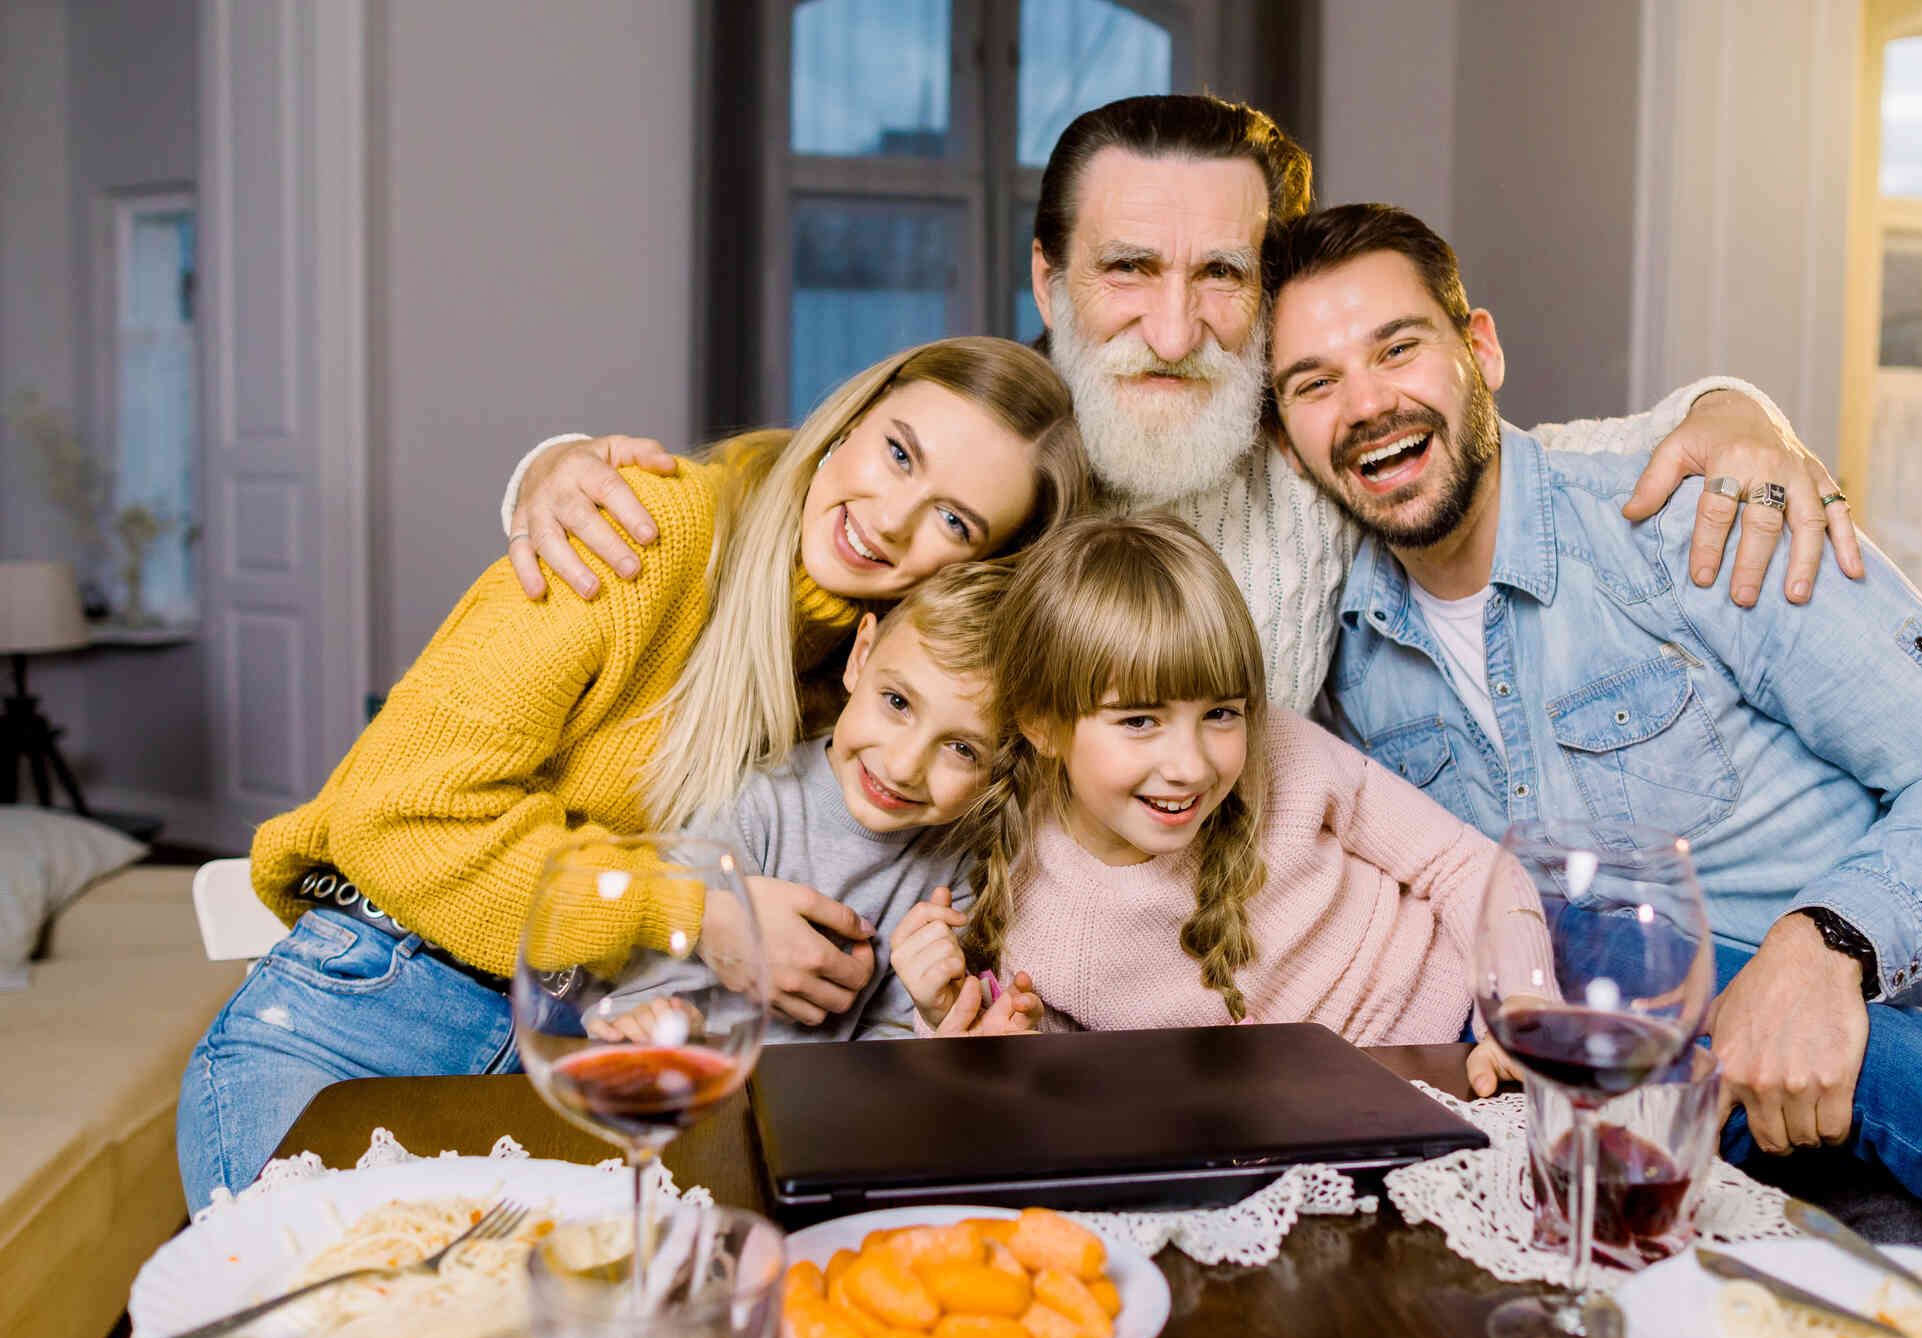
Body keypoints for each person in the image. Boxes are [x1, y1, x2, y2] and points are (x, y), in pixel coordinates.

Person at [1262, 201, 1922, 1293]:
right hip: (1687, 1148)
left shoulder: (1693, 520)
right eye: (1313, 381)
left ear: (1480, 347)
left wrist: (1822, 948)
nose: (1367, 405)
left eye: (1397, 347)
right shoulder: (1340, 659)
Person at [500, 96, 1860, 720]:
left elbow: (1531, 456)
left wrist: (1736, 407)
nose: (1171, 327)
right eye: (1128, 269)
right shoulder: (978, 444)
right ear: (1045, 277)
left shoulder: (1324, 462)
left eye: (1223, 275)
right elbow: (760, 491)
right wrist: (553, 464)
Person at [175, 338, 1089, 1210]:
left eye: (954, 519)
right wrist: (698, 914)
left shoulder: (871, 704)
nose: (892, 518)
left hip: (582, 1047)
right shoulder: (645, 531)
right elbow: (397, 817)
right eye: (897, 453)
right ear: (849, 421)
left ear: (984, 570)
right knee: (325, 1331)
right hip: (367, 1014)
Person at [887, 515, 1552, 1087]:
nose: (1190, 766)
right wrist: (947, 1015)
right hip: (1301, 1124)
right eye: (1139, 721)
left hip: (1464, 1022)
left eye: (1220, 713)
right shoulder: (1029, 913)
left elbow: (1467, 867)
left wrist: (1521, 1001)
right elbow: (1053, 1090)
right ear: (1042, 724)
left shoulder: (1281, 751)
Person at [695, 559, 1044, 1045]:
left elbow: (891, 1042)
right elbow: (651, 961)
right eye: (897, 702)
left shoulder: (957, 873)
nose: (903, 766)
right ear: (860, 655)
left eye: (962, 749)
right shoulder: (751, 805)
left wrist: (940, 1016)